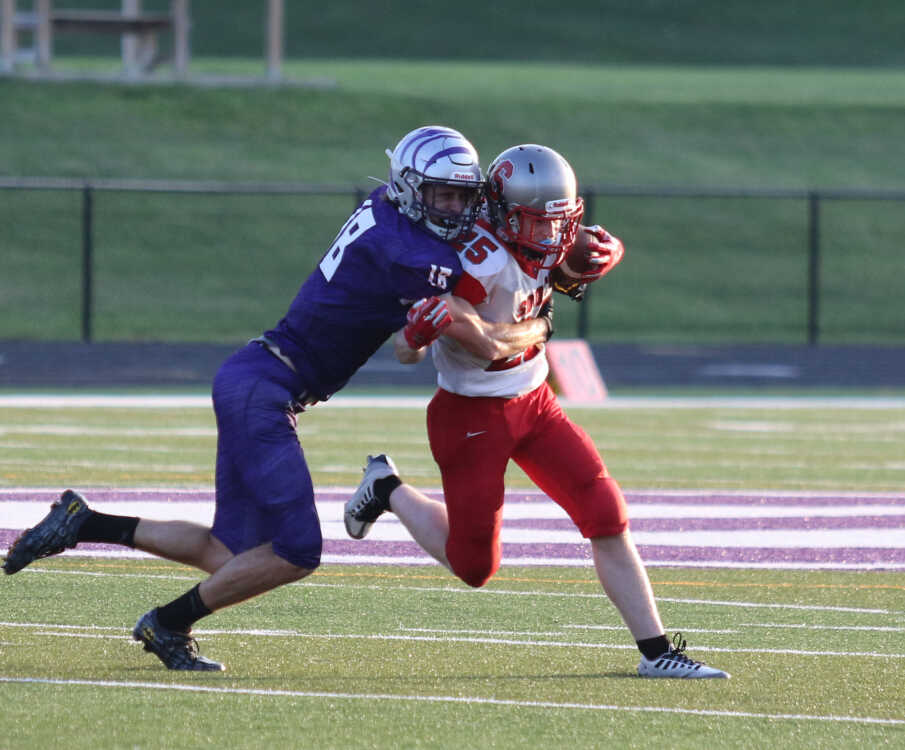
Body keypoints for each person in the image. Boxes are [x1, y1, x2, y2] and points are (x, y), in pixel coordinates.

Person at [2, 125, 487, 672]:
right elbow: (409, 349)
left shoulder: (385, 207)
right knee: (298, 551)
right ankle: (168, 623)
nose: (454, 207)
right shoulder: (411, 252)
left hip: (254, 376)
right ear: (409, 187)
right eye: (442, 194)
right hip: (266, 388)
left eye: (463, 194)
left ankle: (84, 523)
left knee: (230, 554)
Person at [344, 144, 730, 679]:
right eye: (535, 224)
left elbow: (557, 270)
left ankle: (657, 650)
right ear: (502, 212)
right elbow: (444, 347)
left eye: (558, 224)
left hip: (536, 402)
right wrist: (421, 336)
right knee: (475, 566)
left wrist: (585, 264)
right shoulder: (472, 261)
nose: (549, 238)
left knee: (606, 512)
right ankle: (387, 488)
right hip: (472, 414)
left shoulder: (544, 234)